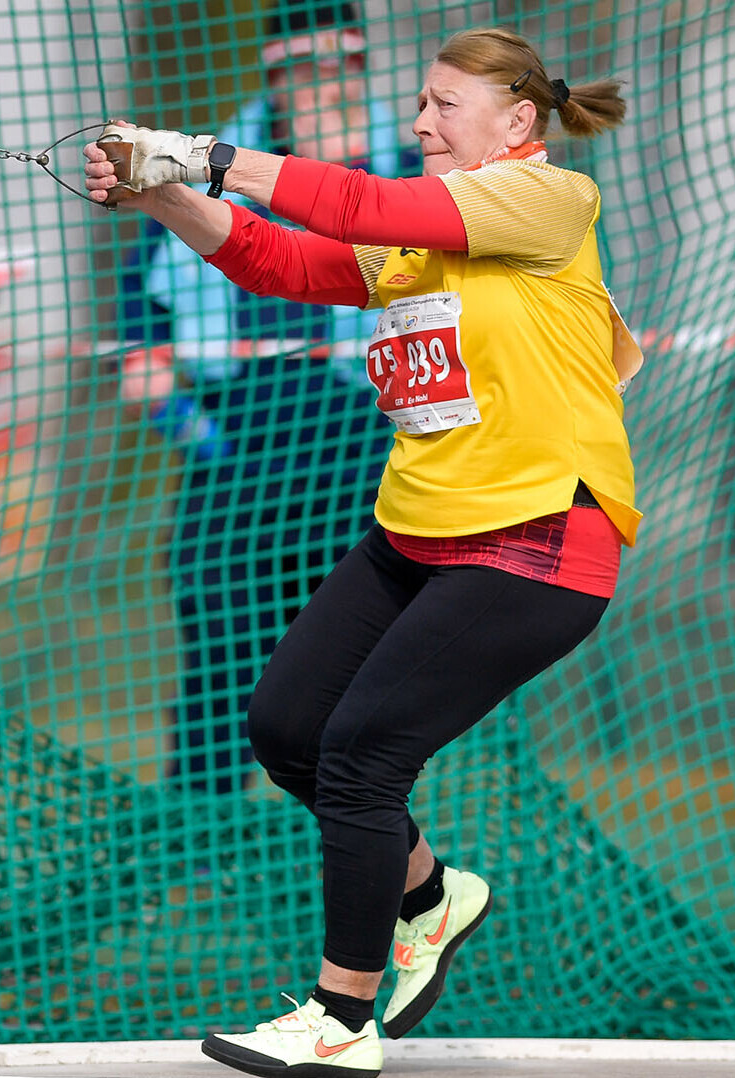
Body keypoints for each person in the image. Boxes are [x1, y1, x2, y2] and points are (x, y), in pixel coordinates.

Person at [85, 26, 640, 1075]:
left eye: (443, 105)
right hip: (416, 531)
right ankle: (431, 894)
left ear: (517, 122)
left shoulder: (548, 198)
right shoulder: (426, 235)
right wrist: (161, 194)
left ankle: (341, 1019)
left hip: (534, 541)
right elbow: (282, 260)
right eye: (420, 102)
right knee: (285, 727)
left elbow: (358, 204)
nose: (420, 121)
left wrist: (201, 154)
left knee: (360, 757)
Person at [129, 0, 414, 796]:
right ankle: (201, 844)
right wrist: (206, 442)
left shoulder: (413, 181)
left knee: (355, 701)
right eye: (309, 68)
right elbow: (142, 363)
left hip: (369, 473)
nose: (333, 85)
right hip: (237, 477)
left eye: (347, 64)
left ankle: (350, 844)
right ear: (275, 77)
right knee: (220, 686)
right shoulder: (203, 179)